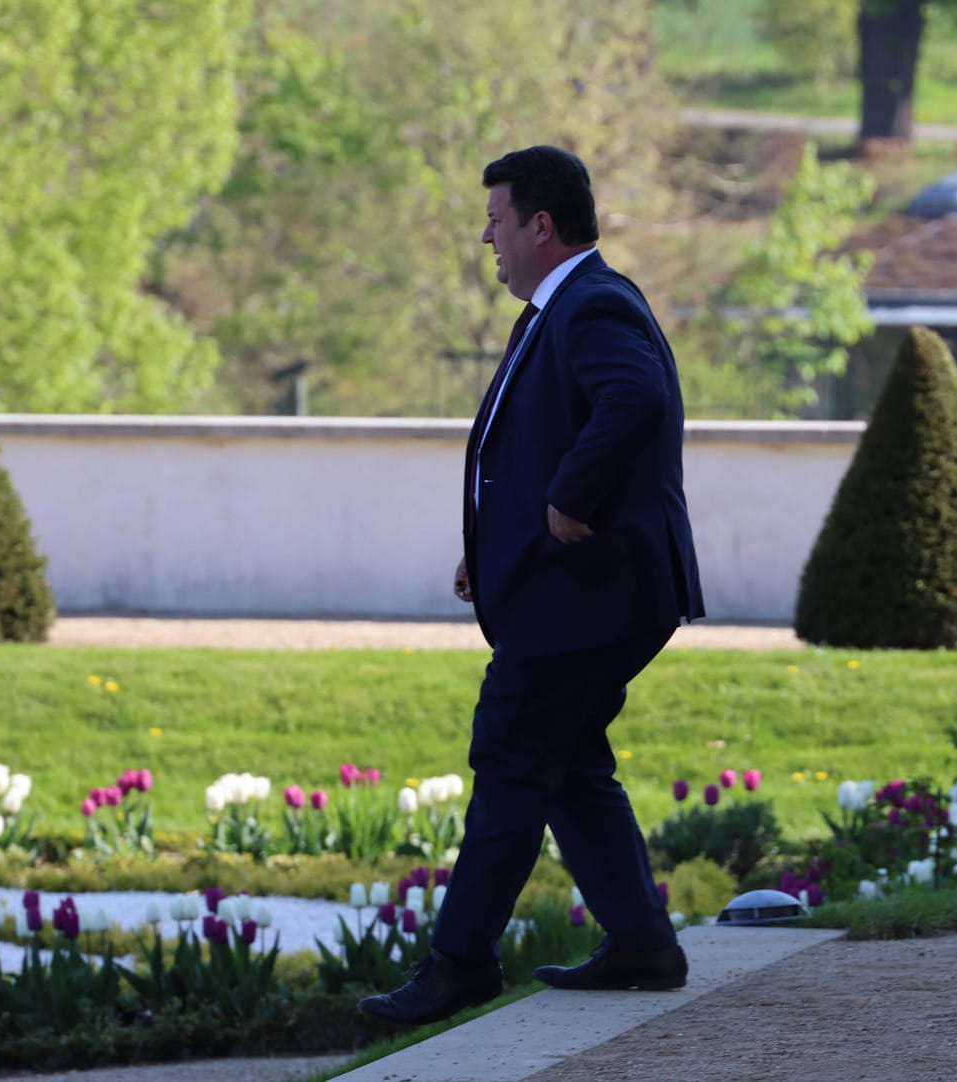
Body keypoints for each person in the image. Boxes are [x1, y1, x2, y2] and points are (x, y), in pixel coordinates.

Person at [359, 145, 705, 1026]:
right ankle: (641, 945)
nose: (488, 238)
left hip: (589, 592)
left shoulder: (589, 305)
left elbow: (636, 402)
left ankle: (460, 963)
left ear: (540, 225)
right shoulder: (565, 308)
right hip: (576, 588)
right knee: (568, 762)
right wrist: (503, 543)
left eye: (498, 219)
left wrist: (563, 507)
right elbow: (550, 435)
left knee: (513, 752)